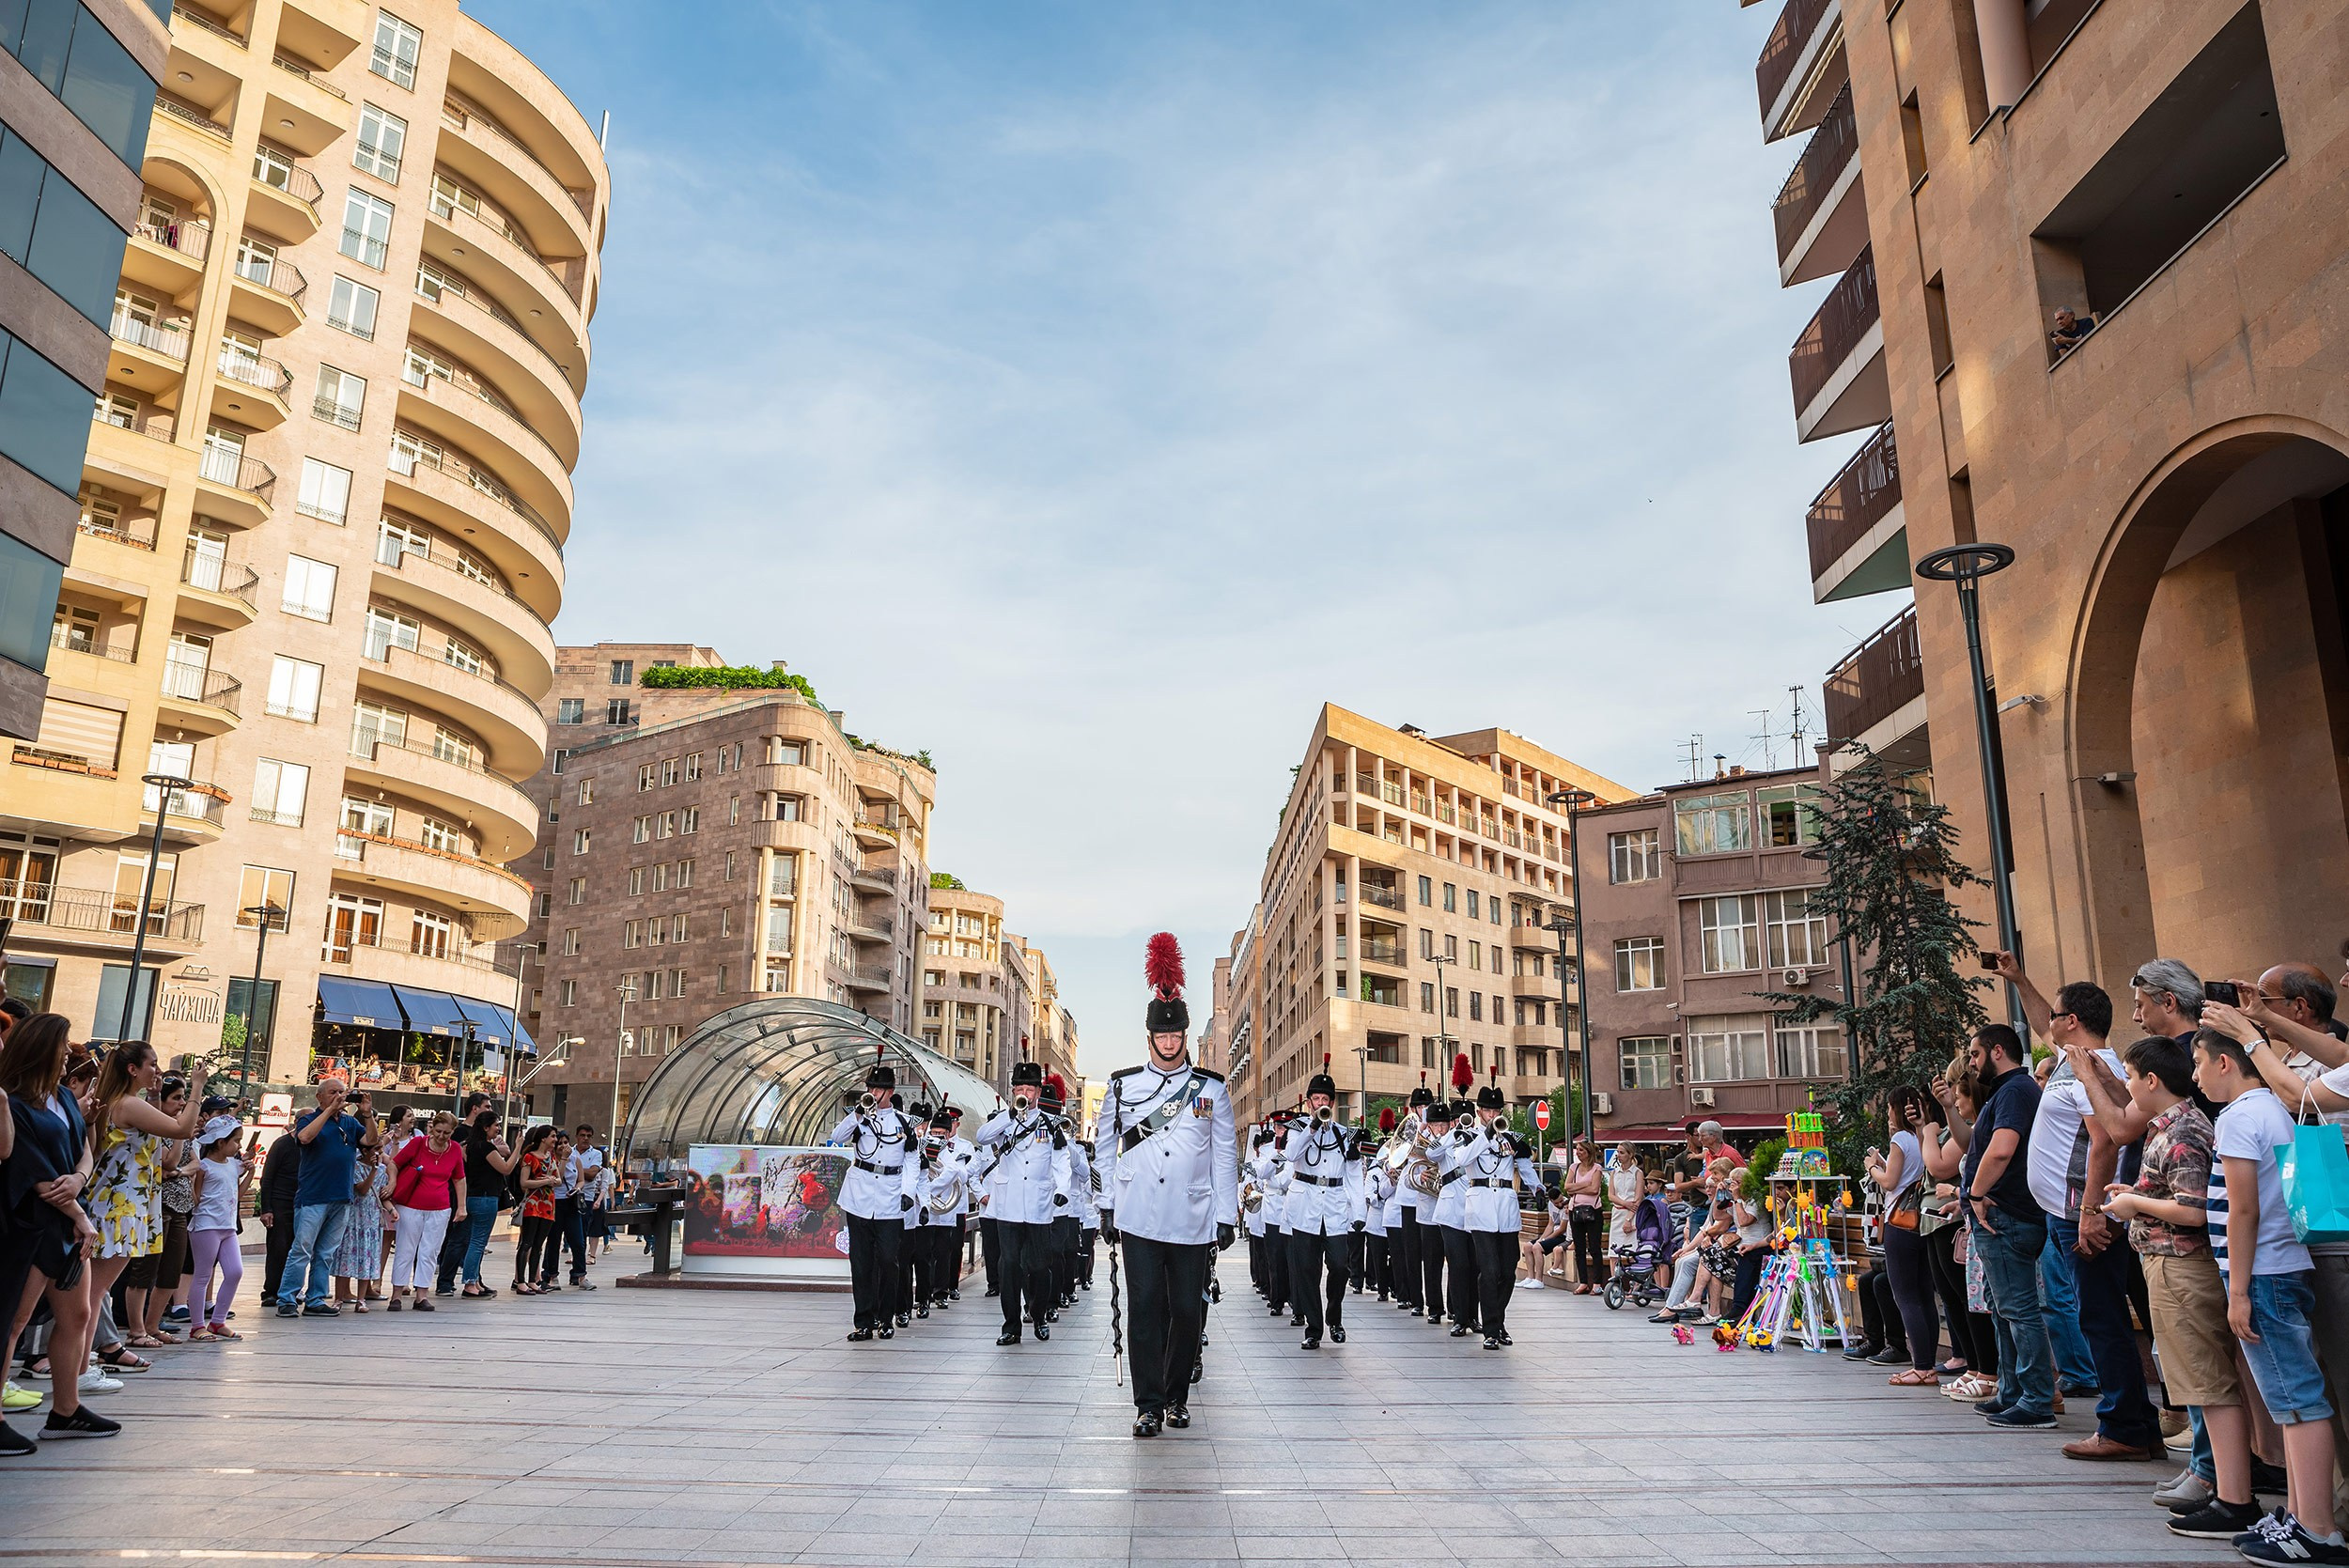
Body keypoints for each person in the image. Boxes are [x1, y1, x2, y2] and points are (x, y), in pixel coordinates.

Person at [2077, 1035, 2259, 1538]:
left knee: (2208, 1383)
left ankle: (2232, 1497)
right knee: (2197, 1383)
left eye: (2131, 1078)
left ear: (2151, 1081)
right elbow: (2174, 1194)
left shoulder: (2184, 1129)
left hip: (2182, 1266)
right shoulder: (2170, 1127)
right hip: (2167, 1265)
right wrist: (2136, 1193)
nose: (2128, 1088)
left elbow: (2194, 1209)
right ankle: (2222, 1487)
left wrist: (2137, 1205)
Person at [2192, 1024, 2346, 1564]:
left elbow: (2243, 1210)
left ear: (2226, 1063)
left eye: (2199, 1063)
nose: (2195, 1075)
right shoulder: (2274, 1110)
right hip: (2283, 1268)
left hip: (2264, 1274)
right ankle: (2303, 1520)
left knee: (2298, 1402)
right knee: (2295, 1401)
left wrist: (2237, 1290)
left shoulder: (2239, 1117)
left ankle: (2319, 1531)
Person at [1094, 933, 1237, 1437]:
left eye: (1177, 1035)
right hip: (1138, 1215)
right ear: (1150, 1036)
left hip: (1193, 1216)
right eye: (1163, 1034)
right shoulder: (1122, 1085)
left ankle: (1177, 1396)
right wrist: (1107, 1206)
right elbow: (1104, 1147)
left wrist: (1227, 1214)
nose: (1171, 1042)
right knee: (1145, 1308)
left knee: (1186, 1312)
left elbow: (1224, 1154)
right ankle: (1149, 1405)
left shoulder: (1212, 1089)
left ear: (1184, 1037)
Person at [0, 1015, 116, 1447]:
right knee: (15, 1321)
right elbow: (33, 1175)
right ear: (41, 1047)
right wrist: (80, 1215)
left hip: (69, 1223)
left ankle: (66, 1410)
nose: (70, 1050)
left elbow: (86, 1151)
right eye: (64, 1042)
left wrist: (81, 1181)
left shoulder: (63, 1097)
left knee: (78, 1314)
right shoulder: (14, 1103)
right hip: (34, 1225)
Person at [86, 1043, 208, 1368]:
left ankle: (88, 1359)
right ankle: (81, 1365)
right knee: (95, 1293)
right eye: (152, 1064)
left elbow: (161, 1154)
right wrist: (196, 1087)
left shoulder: (129, 1102)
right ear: (132, 1069)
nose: (157, 1071)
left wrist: (154, 1096)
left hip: (125, 1202)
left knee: (96, 1291)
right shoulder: (126, 1104)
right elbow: (181, 1128)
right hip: (120, 1205)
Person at [1963, 1023, 2052, 1429]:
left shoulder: (2016, 1091)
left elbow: (2001, 1151)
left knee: (2019, 1310)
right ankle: (2012, 1391)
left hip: (2006, 1215)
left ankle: (2035, 1400)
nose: (1970, 1062)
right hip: (2004, 1215)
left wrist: (1976, 1195)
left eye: (1974, 1053)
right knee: (2004, 1309)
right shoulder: (2009, 1091)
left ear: (1997, 1051)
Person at [974, 1062, 1070, 1344]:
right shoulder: (1005, 1121)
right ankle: (1011, 1326)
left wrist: (1062, 1189)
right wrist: (1010, 1114)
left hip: (1039, 1206)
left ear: (1038, 1092)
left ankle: (1038, 1315)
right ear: (1013, 1091)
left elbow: (1062, 1159)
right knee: (1009, 1265)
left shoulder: (1050, 1124)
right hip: (1009, 1205)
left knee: (1040, 1266)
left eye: (1029, 1089)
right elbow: (982, 1136)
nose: (1025, 1094)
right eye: (1020, 1089)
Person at [1923, 1059, 1999, 1401]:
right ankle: (1979, 1369)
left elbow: (1941, 1165)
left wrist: (1926, 1132)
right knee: (1965, 1299)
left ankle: (1991, 1372)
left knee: (1993, 1306)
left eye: (1958, 1091)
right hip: (1961, 1218)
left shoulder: (1987, 1120)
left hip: (1983, 1225)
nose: (1954, 1096)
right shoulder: (1970, 1123)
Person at [830, 1059, 921, 1342]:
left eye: (880, 1089)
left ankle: (886, 1317)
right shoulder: (859, 1118)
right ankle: (863, 1322)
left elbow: (912, 1160)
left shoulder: (903, 1123)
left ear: (890, 1091)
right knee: (861, 1262)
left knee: (887, 1260)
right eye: (871, 1088)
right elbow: (836, 1137)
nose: (874, 1093)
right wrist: (858, 1113)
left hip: (890, 1198)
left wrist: (908, 1192)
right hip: (859, 1197)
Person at [1449, 1075, 1541, 1349]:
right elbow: (1462, 1160)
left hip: (1506, 1207)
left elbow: (1524, 1167)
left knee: (1508, 1271)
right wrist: (1487, 1135)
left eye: (1497, 1111)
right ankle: (1491, 1328)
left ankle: (1497, 1320)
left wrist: (1539, 1189)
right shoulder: (1467, 1136)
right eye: (1488, 1111)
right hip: (1480, 1209)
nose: (1492, 1115)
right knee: (1488, 1271)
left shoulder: (1513, 1139)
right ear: (1479, 1112)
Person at [1861, 1086, 1943, 1387]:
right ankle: (1929, 1363)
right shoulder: (1924, 1138)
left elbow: (1890, 1181)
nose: (1887, 1116)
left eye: (1888, 1110)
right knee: (1924, 1296)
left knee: (1905, 1295)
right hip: (1922, 1221)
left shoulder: (1899, 1139)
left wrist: (1873, 1168)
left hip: (1899, 1222)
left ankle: (1921, 1366)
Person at [1281, 1059, 1363, 1350]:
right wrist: (1312, 1128)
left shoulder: (1343, 1133)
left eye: (1325, 1100)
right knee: (1307, 1270)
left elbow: (1354, 1174)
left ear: (1332, 1102)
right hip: (1306, 1208)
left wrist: (1359, 1213)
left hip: (1336, 1208)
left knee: (1340, 1266)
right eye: (1316, 1099)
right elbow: (1291, 1154)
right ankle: (1314, 1328)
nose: (1321, 1103)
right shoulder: (1297, 1128)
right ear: (1309, 1102)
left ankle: (1334, 1316)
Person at [387, 1111, 466, 1312]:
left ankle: (422, 1294)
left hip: (440, 1208)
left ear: (452, 1132)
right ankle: (397, 1294)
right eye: (438, 1131)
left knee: (430, 1251)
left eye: (447, 1133)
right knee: (406, 1248)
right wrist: (393, 1181)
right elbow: (395, 1163)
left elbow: (459, 1178)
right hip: (411, 1205)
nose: (441, 1136)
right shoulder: (418, 1143)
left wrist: (462, 1206)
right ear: (432, 1128)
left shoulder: (455, 1149)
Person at [439, 1094, 514, 1299]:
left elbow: (503, 1150)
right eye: (487, 1106)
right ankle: (451, 1282)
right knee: (462, 1240)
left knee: (473, 1241)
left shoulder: (477, 1141)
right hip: (464, 1192)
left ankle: (475, 1280)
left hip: (472, 1193)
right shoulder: (466, 1135)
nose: (490, 1109)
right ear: (475, 1109)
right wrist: (498, 1150)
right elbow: (504, 1159)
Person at [184, 1114, 248, 1342]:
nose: (239, 1145)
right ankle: (197, 1325)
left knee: (235, 1272)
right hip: (206, 1225)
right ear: (221, 1142)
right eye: (236, 1141)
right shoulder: (203, 1166)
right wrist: (190, 1181)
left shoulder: (234, 1165)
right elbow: (197, 1198)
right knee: (203, 1274)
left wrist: (248, 1172)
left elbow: (238, 1195)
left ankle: (218, 1321)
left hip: (228, 1226)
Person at [1390, 1079, 1434, 1315]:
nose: (1423, 1109)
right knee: (1411, 1252)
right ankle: (1415, 1299)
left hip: (1429, 1195)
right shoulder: (1409, 1128)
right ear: (1413, 1109)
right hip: (1409, 1196)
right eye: (1420, 1106)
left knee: (1431, 1253)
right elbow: (1400, 1152)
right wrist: (1420, 1130)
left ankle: (1434, 1300)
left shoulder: (1438, 1126)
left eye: (1427, 1105)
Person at [334, 1138, 390, 1311]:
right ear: (365, 1151)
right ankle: (339, 1298)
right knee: (346, 1257)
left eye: (381, 1149)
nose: (380, 1152)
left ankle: (361, 1299)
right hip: (353, 1220)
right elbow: (363, 1190)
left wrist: (392, 1209)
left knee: (368, 1259)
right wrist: (372, 1170)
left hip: (371, 1222)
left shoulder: (383, 1171)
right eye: (376, 1149)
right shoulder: (355, 1167)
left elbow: (382, 1196)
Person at [256, 1126, 301, 1308]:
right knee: (278, 1248)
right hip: (280, 1203)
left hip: (301, 1203)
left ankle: (290, 1290)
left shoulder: (312, 1144)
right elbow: (267, 1177)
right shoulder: (282, 1145)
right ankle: (271, 1291)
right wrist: (266, 1208)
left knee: (296, 1250)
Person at [513, 1126, 560, 1295]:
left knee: (539, 1245)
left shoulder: (551, 1157)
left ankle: (533, 1280)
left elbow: (558, 1179)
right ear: (543, 1138)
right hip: (533, 1204)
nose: (555, 1140)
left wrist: (551, 1180)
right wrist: (545, 1182)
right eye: (553, 1136)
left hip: (548, 1204)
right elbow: (524, 1183)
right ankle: (520, 1281)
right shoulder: (529, 1157)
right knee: (527, 1243)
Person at [562, 1125, 602, 1287]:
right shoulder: (568, 1151)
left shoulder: (596, 1154)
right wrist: (580, 1169)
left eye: (589, 1136)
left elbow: (592, 1175)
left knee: (581, 1234)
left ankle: (577, 1272)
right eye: (583, 1135)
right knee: (562, 1235)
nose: (586, 1138)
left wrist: (574, 1168)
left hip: (586, 1198)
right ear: (577, 1136)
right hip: (565, 1197)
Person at [1563, 1138, 1605, 1293]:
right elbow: (1567, 1187)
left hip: (1593, 1210)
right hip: (1576, 1209)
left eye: (1581, 1150)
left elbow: (1595, 1190)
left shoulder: (1597, 1168)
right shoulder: (1574, 1167)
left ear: (1588, 1152)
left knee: (1594, 1247)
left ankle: (1597, 1283)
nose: (1578, 1153)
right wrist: (1585, 1184)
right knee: (1579, 1247)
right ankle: (1583, 1282)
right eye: (1577, 1150)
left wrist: (1576, 1188)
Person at [1522, 1180, 1567, 1291]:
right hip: (1554, 1234)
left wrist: (1545, 1240)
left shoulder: (1566, 1205)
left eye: (1561, 1201)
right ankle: (1530, 1277)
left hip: (1562, 1236)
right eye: (1556, 1203)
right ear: (1551, 1201)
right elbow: (1550, 1225)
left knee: (1537, 1247)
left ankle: (1539, 1280)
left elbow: (1562, 1229)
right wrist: (1542, 1238)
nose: (1560, 1204)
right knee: (1527, 1247)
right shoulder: (1551, 1205)